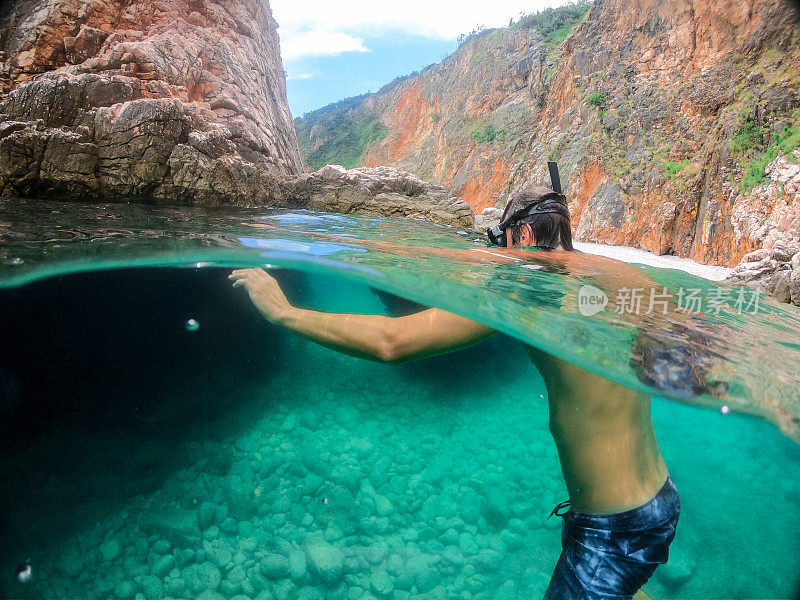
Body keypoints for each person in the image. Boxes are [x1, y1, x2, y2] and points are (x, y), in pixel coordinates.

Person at [230, 183, 680, 599]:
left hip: (609, 531)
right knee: (625, 579)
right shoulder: (626, 279)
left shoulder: (525, 290)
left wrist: (284, 312)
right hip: (660, 501)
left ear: (520, 234)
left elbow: (393, 343)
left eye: (501, 241)